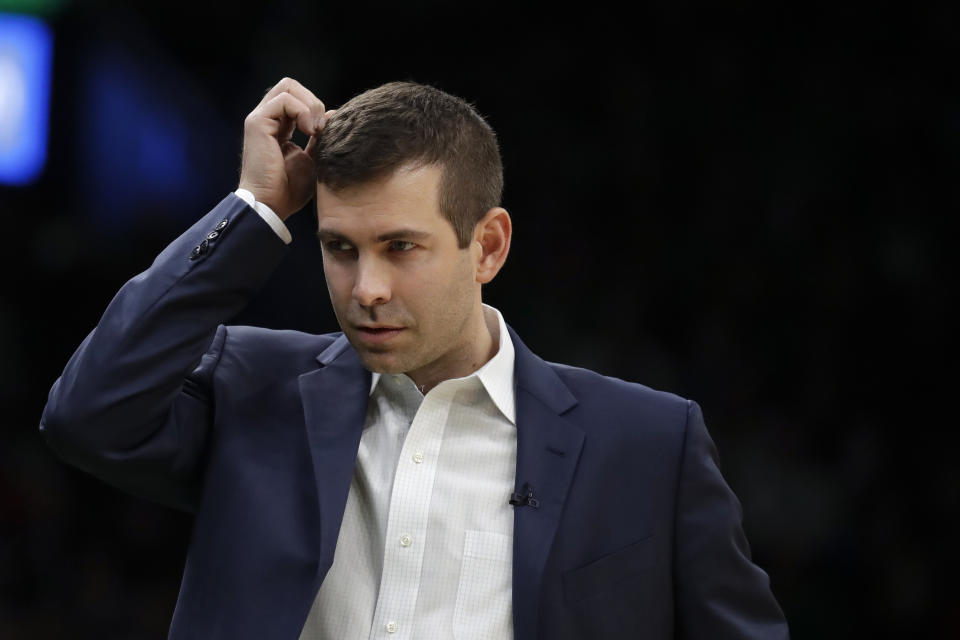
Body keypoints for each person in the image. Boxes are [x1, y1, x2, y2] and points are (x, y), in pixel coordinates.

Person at [40, 77, 789, 639]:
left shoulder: (650, 444)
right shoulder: (252, 386)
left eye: (401, 247)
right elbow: (86, 416)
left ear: (487, 246)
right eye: (339, 248)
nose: (366, 289)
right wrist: (257, 209)